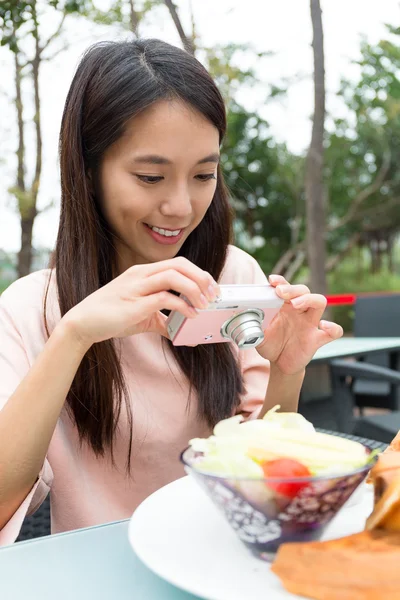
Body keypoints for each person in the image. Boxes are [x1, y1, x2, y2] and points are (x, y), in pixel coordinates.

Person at [0, 39, 343, 545]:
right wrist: (73, 336)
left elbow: (263, 477)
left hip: (221, 561)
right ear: (89, 171)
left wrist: (286, 372)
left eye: (204, 174)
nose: (181, 206)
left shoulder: (232, 275)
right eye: (151, 176)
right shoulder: (31, 308)